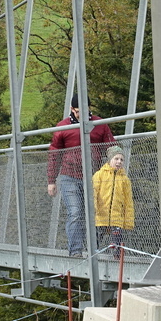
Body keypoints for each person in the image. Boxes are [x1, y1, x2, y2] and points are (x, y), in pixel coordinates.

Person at [48, 93, 116, 257]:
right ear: (72, 109)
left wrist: (115, 164)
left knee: (96, 213)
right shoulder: (62, 126)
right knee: (76, 212)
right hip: (69, 176)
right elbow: (54, 154)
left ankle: (94, 249)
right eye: (78, 111)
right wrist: (51, 180)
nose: (82, 114)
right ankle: (76, 251)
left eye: (85, 111)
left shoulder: (99, 124)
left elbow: (111, 146)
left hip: (94, 177)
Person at [93, 145, 134, 257]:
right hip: (101, 215)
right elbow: (94, 193)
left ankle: (117, 256)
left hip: (117, 216)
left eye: (121, 160)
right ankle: (93, 254)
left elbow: (128, 202)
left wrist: (128, 220)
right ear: (110, 159)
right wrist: (94, 209)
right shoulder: (99, 175)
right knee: (97, 237)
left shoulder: (125, 179)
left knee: (117, 238)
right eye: (116, 159)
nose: (119, 162)